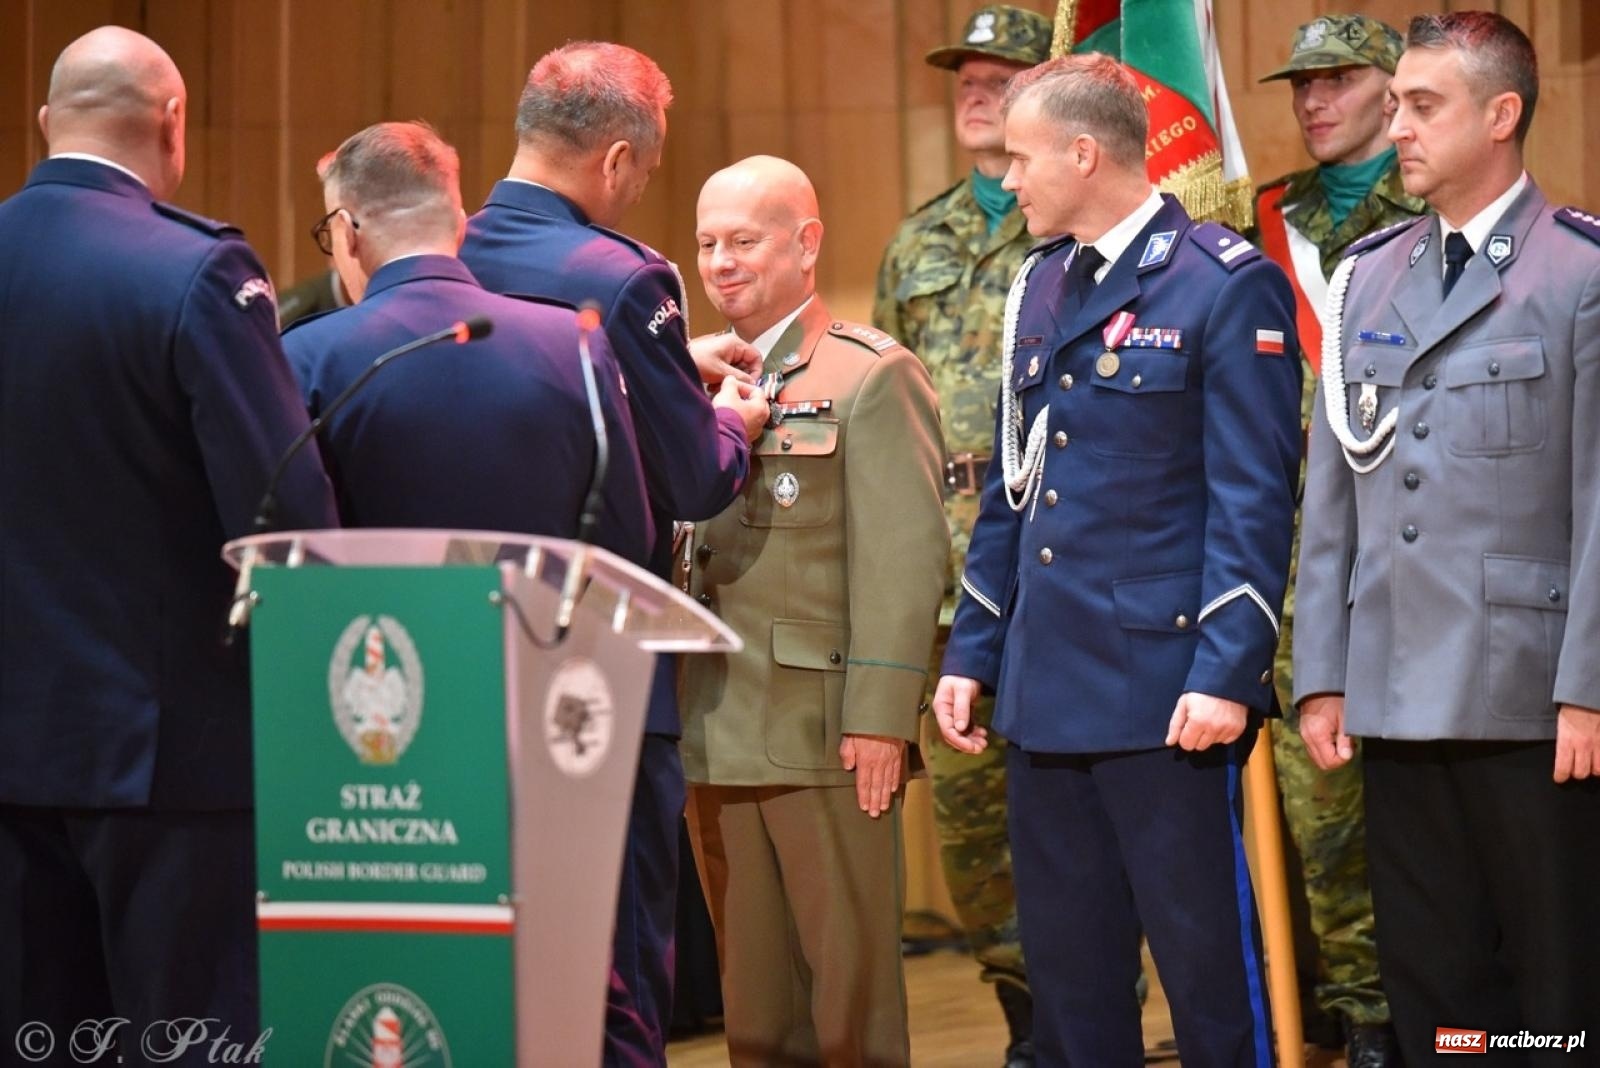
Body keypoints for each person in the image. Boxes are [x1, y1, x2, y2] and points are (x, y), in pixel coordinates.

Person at [934, 54, 1302, 1067]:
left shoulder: (1222, 283)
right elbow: (1016, 489)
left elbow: (1253, 499)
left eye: (1022, 159)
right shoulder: (1040, 285)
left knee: (1206, 976)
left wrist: (1227, 673)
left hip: (1165, 690)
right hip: (1045, 687)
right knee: (1072, 982)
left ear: (1084, 153)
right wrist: (973, 652)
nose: (1008, 178)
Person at [0, 26, 337, 1063]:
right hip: (168, 762)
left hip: (13, 748)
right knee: (189, 1039)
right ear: (173, 122)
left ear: (46, 121)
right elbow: (284, 518)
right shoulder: (195, 269)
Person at [1293, 12, 1600, 1064]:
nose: (1398, 128)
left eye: (1422, 105)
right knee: (1433, 988)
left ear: (1501, 114)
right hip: (1395, 688)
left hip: (1531, 695)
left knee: (1555, 992)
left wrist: (1589, 688)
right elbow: (1334, 497)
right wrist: (1322, 674)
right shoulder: (1368, 276)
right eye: (1394, 105)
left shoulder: (1576, 272)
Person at [458, 41, 768, 1066]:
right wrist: (731, 422)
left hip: (460, 651)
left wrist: (666, 367)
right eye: (648, 170)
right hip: (592, 668)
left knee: (496, 959)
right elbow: (694, 479)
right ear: (618, 159)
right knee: (616, 961)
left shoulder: (446, 254)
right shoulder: (623, 277)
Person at [678, 155, 948, 1067]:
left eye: (743, 241)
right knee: (754, 1006)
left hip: (823, 732)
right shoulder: (689, 382)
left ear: (806, 244)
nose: (720, 263)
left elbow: (905, 561)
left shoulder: (871, 374)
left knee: (849, 1003)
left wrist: (882, 719)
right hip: (712, 721)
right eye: (707, 243)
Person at [871, 9, 1051, 1059]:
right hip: (951, 581)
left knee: (1080, 818)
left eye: (1001, 75)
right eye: (964, 77)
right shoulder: (917, 241)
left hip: (1063, 568)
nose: (975, 91)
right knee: (975, 829)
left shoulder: (1076, 222)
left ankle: (1096, 1019)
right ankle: (1026, 1021)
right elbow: (887, 417)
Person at [1253, 15, 1423, 1066]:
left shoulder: (1442, 202)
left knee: (1434, 797)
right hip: (1296, 555)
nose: (1313, 101)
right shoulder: (1262, 219)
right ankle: (1362, 1015)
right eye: (1300, 85)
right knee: (1321, 803)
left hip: (1422, 545)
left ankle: (1463, 1009)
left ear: (1394, 88)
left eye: (1338, 80)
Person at [281, 120, 653, 572]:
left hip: (370, 618)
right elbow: (627, 540)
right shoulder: (574, 342)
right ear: (459, 226)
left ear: (347, 231)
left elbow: (289, 549)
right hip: (533, 617)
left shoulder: (303, 357)